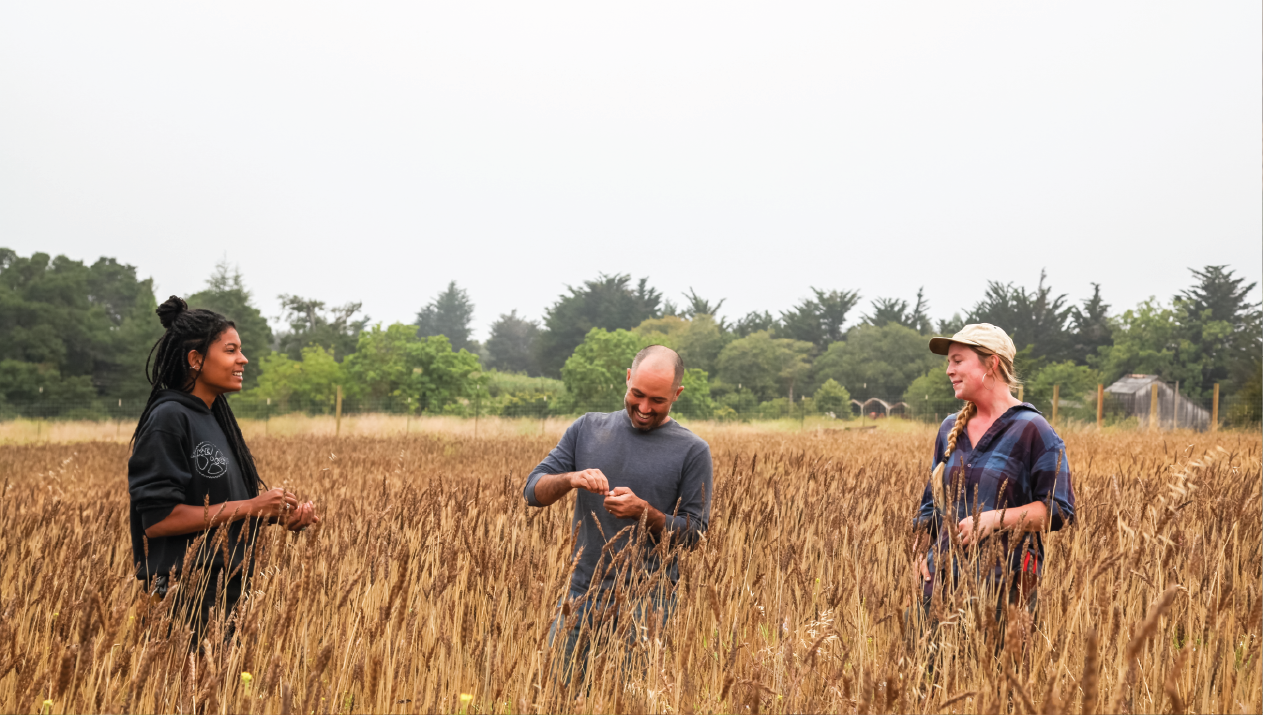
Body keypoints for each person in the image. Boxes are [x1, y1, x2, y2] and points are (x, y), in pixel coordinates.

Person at [128, 296, 318, 640]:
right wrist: (251, 506)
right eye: (231, 350)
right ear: (196, 360)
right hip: (182, 592)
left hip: (222, 587)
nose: (243, 359)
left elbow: (216, 505)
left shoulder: (214, 416)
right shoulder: (169, 418)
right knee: (184, 693)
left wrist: (273, 514)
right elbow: (158, 520)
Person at [523, 345, 713, 685]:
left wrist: (646, 513)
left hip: (648, 602)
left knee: (626, 701)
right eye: (637, 394)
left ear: (677, 394)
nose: (643, 408)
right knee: (554, 694)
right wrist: (571, 478)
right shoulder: (587, 429)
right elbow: (532, 491)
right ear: (627, 377)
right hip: (580, 593)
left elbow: (696, 534)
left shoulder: (692, 450)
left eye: (657, 400)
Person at [913, 323, 1075, 621]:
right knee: (932, 668)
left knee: (996, 669)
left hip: (1005, 590)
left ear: (992, 363)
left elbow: (1058, 511)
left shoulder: (1032, 429)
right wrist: (922, 554)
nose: (949, 370)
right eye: (949, 361)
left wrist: (995, 518)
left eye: (958, 360)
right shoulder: (949, 428)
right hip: (941, 586)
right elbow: (930, 506)